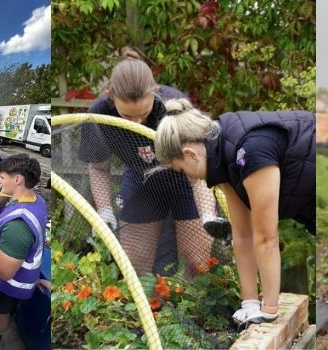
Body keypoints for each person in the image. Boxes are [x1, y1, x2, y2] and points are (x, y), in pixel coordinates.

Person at [153, 99, 316, 326]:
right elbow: (242, 234)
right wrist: (249, 304)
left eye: (180, 170)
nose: (187, 178)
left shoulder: (250, 152)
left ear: (189, 154)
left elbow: (266, 238)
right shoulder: (223, 157)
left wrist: (268, 311)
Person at [80, 47, 227, 276]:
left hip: (186, 182)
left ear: (155, 91)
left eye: (144, 113)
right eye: (128, 116)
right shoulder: (98, 115)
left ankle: (185, 301)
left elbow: (198, 165)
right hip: (142, 182)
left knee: (195, 264)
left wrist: (207, 215)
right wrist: (105, 211)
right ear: (110, 94)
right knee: (134, 264)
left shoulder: (174, 106)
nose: (137, 123)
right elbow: (99, 168)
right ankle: (149, 299)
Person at [0, 154, 47, 342]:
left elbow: (4, 272)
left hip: (10, 284)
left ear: (18, 179)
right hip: (18, 270)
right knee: (5, 308)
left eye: (2, 177)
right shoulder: (35, 200)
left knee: (2, 310)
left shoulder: (17, 226)